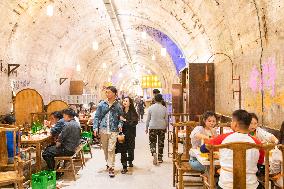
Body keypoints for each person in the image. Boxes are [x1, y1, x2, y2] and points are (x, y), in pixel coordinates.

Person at [201, 109, 264, 189]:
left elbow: (203, 149)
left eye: (232, 121)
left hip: (226, 185)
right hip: (250, 185)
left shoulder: (223, 138)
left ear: (235, 124)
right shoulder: (257, 143)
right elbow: (259, 164)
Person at [93, 86, 123, 178]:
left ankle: (111, 167)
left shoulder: (118, 105)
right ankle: (108, 162)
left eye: (109, 92)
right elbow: (97, 117)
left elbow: (121, 117)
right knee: (105, 149)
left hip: (114, 130)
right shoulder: (102, 104)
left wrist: (120, 124)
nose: (107, 94)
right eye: (106, 92)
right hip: (103, 129)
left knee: (111, 149)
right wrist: (95, 128)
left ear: (114, 93)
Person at [116, 96, 139, 174]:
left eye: (126, 101)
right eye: (124, 101)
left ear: (130, 103)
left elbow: (134, 123)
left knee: (131, 150)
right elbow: (117, 120)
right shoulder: (120, 112)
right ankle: (124, 166)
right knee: (123, 150)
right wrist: (118, 125)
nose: (124, 102)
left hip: (131, 134)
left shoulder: (133, 112)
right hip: (122, 134)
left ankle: (130, 160)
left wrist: (124, 120)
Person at [146, 94, 168, 165]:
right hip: (162, 127)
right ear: (161, 100)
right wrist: (166, 127)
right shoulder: (164, 108)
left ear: (154, 100)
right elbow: (166, 119)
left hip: (152, 127)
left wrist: (146, 128)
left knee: (152, 142)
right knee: (161, 143)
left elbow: (148, 119)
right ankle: (160, 158)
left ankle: (154, 152)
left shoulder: (151, 107)